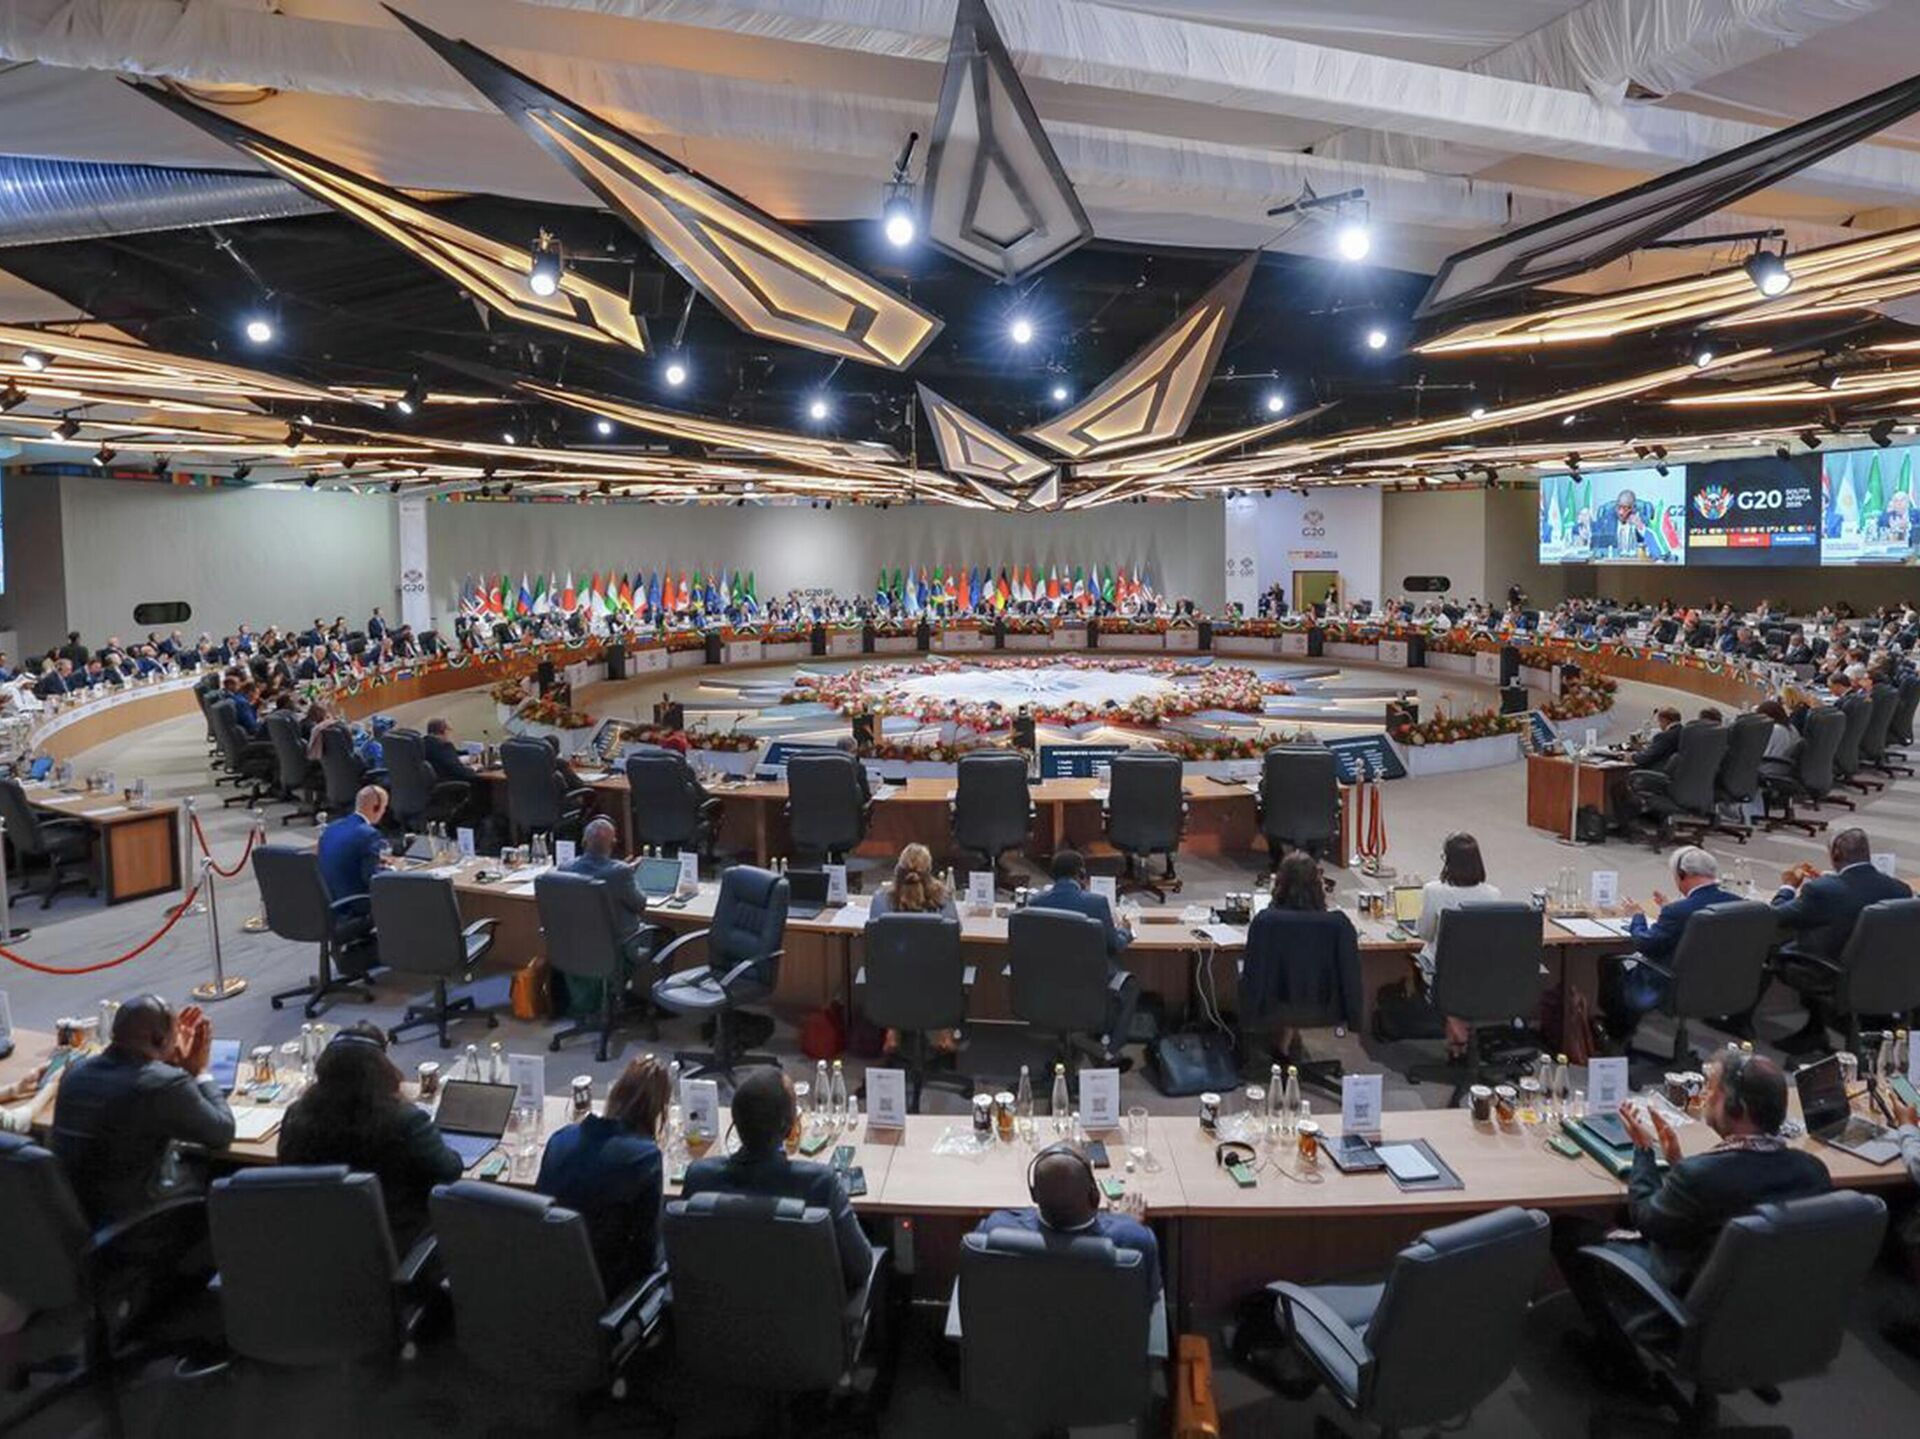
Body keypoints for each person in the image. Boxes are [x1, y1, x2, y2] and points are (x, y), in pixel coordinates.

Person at [1556, 1052, 1830, 1386]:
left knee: (1569, 1233)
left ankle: (1625, 1369)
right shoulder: (1813, 1172)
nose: (1705, 1097)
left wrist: (1643, 1151)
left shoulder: (1704, 1176)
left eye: (1712, 1091)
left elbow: (1646, 1219)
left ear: (1738, 1108)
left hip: (1690, 1303)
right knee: (1619, 1215)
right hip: (1764, 1308)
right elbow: (1721, 1199)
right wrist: (1678, 1163)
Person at [681, 1068, 874, 1296]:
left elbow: (684, 1258)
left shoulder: (699, 1178)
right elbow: (860, 1268)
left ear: (735, 1123)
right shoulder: (820, 1184)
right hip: (804, 1315)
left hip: (718, 1315)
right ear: (790, 1127)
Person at [47, 996, 235, 1225]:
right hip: (138, 1224)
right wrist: (199, 1071)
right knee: (226, 1172)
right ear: (159, 1039)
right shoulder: (164, 1084)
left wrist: (170, 1065)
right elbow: (222, 1131)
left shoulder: (75, 1072)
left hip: (78, 1216)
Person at [278, 1024, 461, 1249]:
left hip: (317, 1243)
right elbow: (451, 1171)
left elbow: (285, 1169)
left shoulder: (296, 1114)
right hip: (397, 1244)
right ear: (382, 1069)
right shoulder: (405, 1119)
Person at [1770, 827, 1912, 1051]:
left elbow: (1775, 916)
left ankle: (1814, 1031)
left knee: (1779, 952)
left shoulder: (1820, 891)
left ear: (1835, 855)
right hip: (1889, 975)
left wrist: (1788, 887)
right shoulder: (1900, 890)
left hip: (1835, 976)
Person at [536, 1055, 669, 1291]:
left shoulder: (560, 1138)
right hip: (607, 1286)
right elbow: (646, 1250)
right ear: (657, 1110)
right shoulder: (645, 1157)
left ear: (615, 1094)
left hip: (549, 1274)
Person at [974, 1143, 1160, 1304]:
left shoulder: (995, 1230)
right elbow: (1149, 1298)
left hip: (1020, 1332)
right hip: (1104, 1334)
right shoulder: (1134, 1239)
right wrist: (1124, 1222)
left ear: (1034, 1195)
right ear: (1095, 1196)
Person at [1595, 847, 1736, 1051]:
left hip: (1673, 985)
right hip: (1719, 984)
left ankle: (1617, 1034)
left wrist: (1637, 916)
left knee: (1610, 963)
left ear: (1682, 875)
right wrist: (1670, 910)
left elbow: (1645, 944)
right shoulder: (1737, 903)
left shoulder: (1678, 911)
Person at [1241, 850, 1361, 1064]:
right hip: (1326, 1007)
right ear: (1318, 884)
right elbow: (1351, 974)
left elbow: (1253, 972)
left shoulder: (1265, 922)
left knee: (1244, 968)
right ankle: (1285, 1043)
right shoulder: (1339, 924)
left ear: (1279, 884)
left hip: (1274, 1005)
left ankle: (1280, 1043)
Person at [1029, 849, 1141, 1070]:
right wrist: (1126, 931)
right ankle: (1109, 1051)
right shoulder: (1096, 903)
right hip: (1090, 984)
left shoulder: (1035, 902)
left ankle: (1076, 1036)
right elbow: (1116, 945)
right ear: (1081, 874)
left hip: (1047, 984)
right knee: (1130, 986)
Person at [1413, 833, 1502, 1053]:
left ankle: (1456, 1029)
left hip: (1442, 976)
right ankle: (1457, 1034)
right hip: (1483, 976)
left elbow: (1424, 933)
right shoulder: (1493, 895)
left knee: (1433, 969)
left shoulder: (1433, 891)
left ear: (1448, 861)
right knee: (1460, 984)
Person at [557, 817, 655, 1015]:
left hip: (575, 948)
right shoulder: (620, 873)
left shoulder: (565, 869)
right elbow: (640, 904)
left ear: (583, 842)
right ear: (613, 843)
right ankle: (654, 1001)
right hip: (618, 950)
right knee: (662, 935)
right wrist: (630, 875)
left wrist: (622, 870)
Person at [316, 785, 390, 970]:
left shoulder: (331, 829)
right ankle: (404, 953)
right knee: (404, 894)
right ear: (375, 807)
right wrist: (395, 872)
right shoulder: (369, 834)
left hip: (327, 903)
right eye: (384, 808)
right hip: (354, 906)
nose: (384, 812)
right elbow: (373, 880)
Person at [867, 842, 957, 920]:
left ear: (898, 870)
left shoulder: (880, 900)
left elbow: (873, 931)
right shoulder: (944, 899)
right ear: (928, 872)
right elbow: (954, 930)